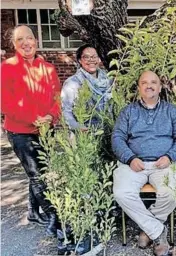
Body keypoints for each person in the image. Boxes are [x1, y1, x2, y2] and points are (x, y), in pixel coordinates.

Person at [112, 70, 176, 256]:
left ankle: (147, 231)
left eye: (153, 82)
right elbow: (117, 138)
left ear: (160, 87)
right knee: (122, 193)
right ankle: (157, 232)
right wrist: (130, 158)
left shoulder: (171, 111)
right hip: (133, 164)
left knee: (172, 192)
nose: (149, 86)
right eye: (144, 82)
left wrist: (170, 156)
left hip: (162, 163)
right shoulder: (128, 111)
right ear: (139, 87)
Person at [1, 25, 60, 236]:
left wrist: (51, 117)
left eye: (30, 38)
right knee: (37, 175)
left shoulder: (49, 68)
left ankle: (33, 211)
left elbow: (57, 99)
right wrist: (34, 119)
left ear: (36, 40)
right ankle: (55, 217)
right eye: (20, 39)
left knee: (40, 172)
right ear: (14, 44)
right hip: (20, 131)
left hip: (46, 130)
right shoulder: (6, 67)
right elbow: (5, 103)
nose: (26, 43)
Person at [61, 44, 113, 131]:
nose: (91, 60)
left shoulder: (109, 79)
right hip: (85, 134)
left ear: (99, 59)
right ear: (80, 60)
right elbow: (66, 111)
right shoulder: (72, 83)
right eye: (86, 57)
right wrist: (77, 126)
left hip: (109, 132)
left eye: (94, 56)